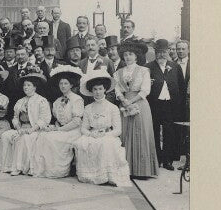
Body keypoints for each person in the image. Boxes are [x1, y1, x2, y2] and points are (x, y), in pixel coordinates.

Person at [73, 71, 132, 187]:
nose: (98, 92)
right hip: (93, 135)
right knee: (82, 143)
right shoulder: (88, 108)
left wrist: (105, 135)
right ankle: (91, 175)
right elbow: (84, 128)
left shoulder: (112, 107)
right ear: (91, 91)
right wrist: (91, 134)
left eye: (100, 89)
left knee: (105, 144)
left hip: (108, 135)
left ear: (105, 89)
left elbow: (118, 130)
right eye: (95, 89)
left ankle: (106, 175)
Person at [113, 40, 159, 178]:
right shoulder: (118, 72)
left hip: (140, 104)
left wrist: (130, 101)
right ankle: (127, 169)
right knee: (125, 134)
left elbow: (145, 90)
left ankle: (142, 170)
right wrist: (123, 101)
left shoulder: (144, 70)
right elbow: (117, 90)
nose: (128, 57)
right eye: (125, 54)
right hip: (124, 105)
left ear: (136, 56)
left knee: (140, 134)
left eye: (131, 54)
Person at [0, 67, 51, 175]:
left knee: (24, 138)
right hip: (22, 128)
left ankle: (20, 167)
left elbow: (44, 119)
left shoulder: (41, 100)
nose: (26, 87)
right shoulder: (20, 101)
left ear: (35, 87)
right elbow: (15, 117)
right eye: (24, 85)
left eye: (29, 85)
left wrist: (32, 129)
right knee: (6, 135)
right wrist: (18, 128)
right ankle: (7, 165)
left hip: (35, 130)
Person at [30, 66, 84, 178]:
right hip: (61, 129)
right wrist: (54, 127)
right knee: (43, 136)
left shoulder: (77, 99)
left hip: (74, 131)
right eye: (61, 84)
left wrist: (59, 129)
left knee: (52, 139)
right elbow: (58, 120)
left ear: (71, 85)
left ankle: (59, 170)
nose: (63, 86)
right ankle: (44, 169)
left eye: (65, 83)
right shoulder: (57, 101)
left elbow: (76, 122)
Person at [147, 38, 187, 170]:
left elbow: (181, 86)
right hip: (154, 104)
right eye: (159, 52)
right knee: (154, 130)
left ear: (168, 52)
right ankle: (157, 159)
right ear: (155, 52)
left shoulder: (175, 66)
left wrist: (180, 106)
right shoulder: (148, 67)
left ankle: (167, 160)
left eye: (164, 52)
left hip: (170, 105)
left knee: (169, 132)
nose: (161, 55)